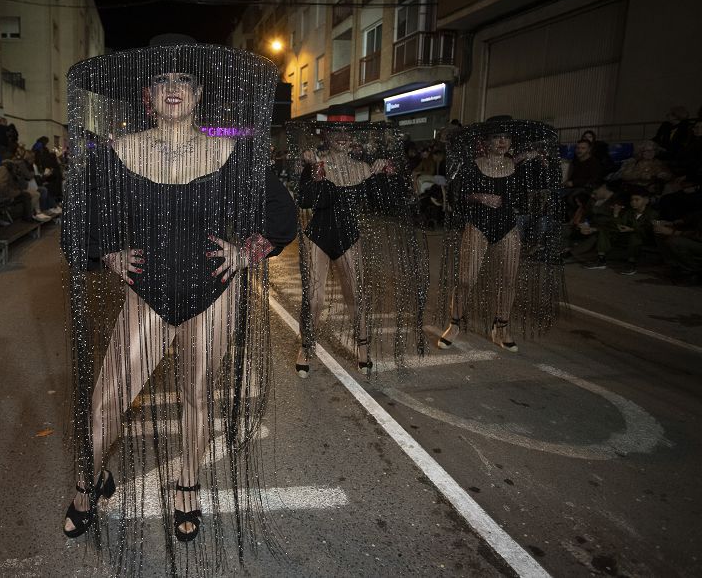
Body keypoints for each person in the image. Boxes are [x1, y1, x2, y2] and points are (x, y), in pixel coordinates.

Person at [60, 36, 297, 564]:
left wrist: (247, 253)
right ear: (147, 95)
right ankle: (88, 482)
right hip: (148, 293)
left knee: (197, 394)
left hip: (214, 292)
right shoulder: (117, 152)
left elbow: (282, 215)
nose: (173, 89)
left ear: (199, 95)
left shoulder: (232, 151)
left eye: (184, 81)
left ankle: (186, 484)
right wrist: (108, 255)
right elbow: (80, 222)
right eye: (162, 81)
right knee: (107, 402)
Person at [291, 116, 427, 378]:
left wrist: (387, 172)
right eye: (336, 131)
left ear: (353, 137)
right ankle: (306, 347)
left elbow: (390, 201)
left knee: (356, 295)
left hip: (349, 237)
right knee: (314, 298)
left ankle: (363, 348)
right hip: (317, 236)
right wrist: (313, 173)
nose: (342, 136)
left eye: (347, 132)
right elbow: (305, 200)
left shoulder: (364, 168)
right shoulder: (314, 162)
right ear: (326, 136)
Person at [437, 117, 563, 353]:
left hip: (507, 226)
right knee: (466, 279)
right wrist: (480, 197)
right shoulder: (473, 165)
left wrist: (543, 161)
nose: (502, 141)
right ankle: (454, 324)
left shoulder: (517, 166)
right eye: (497, 137)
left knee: (508, 280)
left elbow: (544, 185)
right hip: (477, 225)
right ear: (486, 142)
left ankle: (501, 327)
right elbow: (458, 196)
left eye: (506, 137)